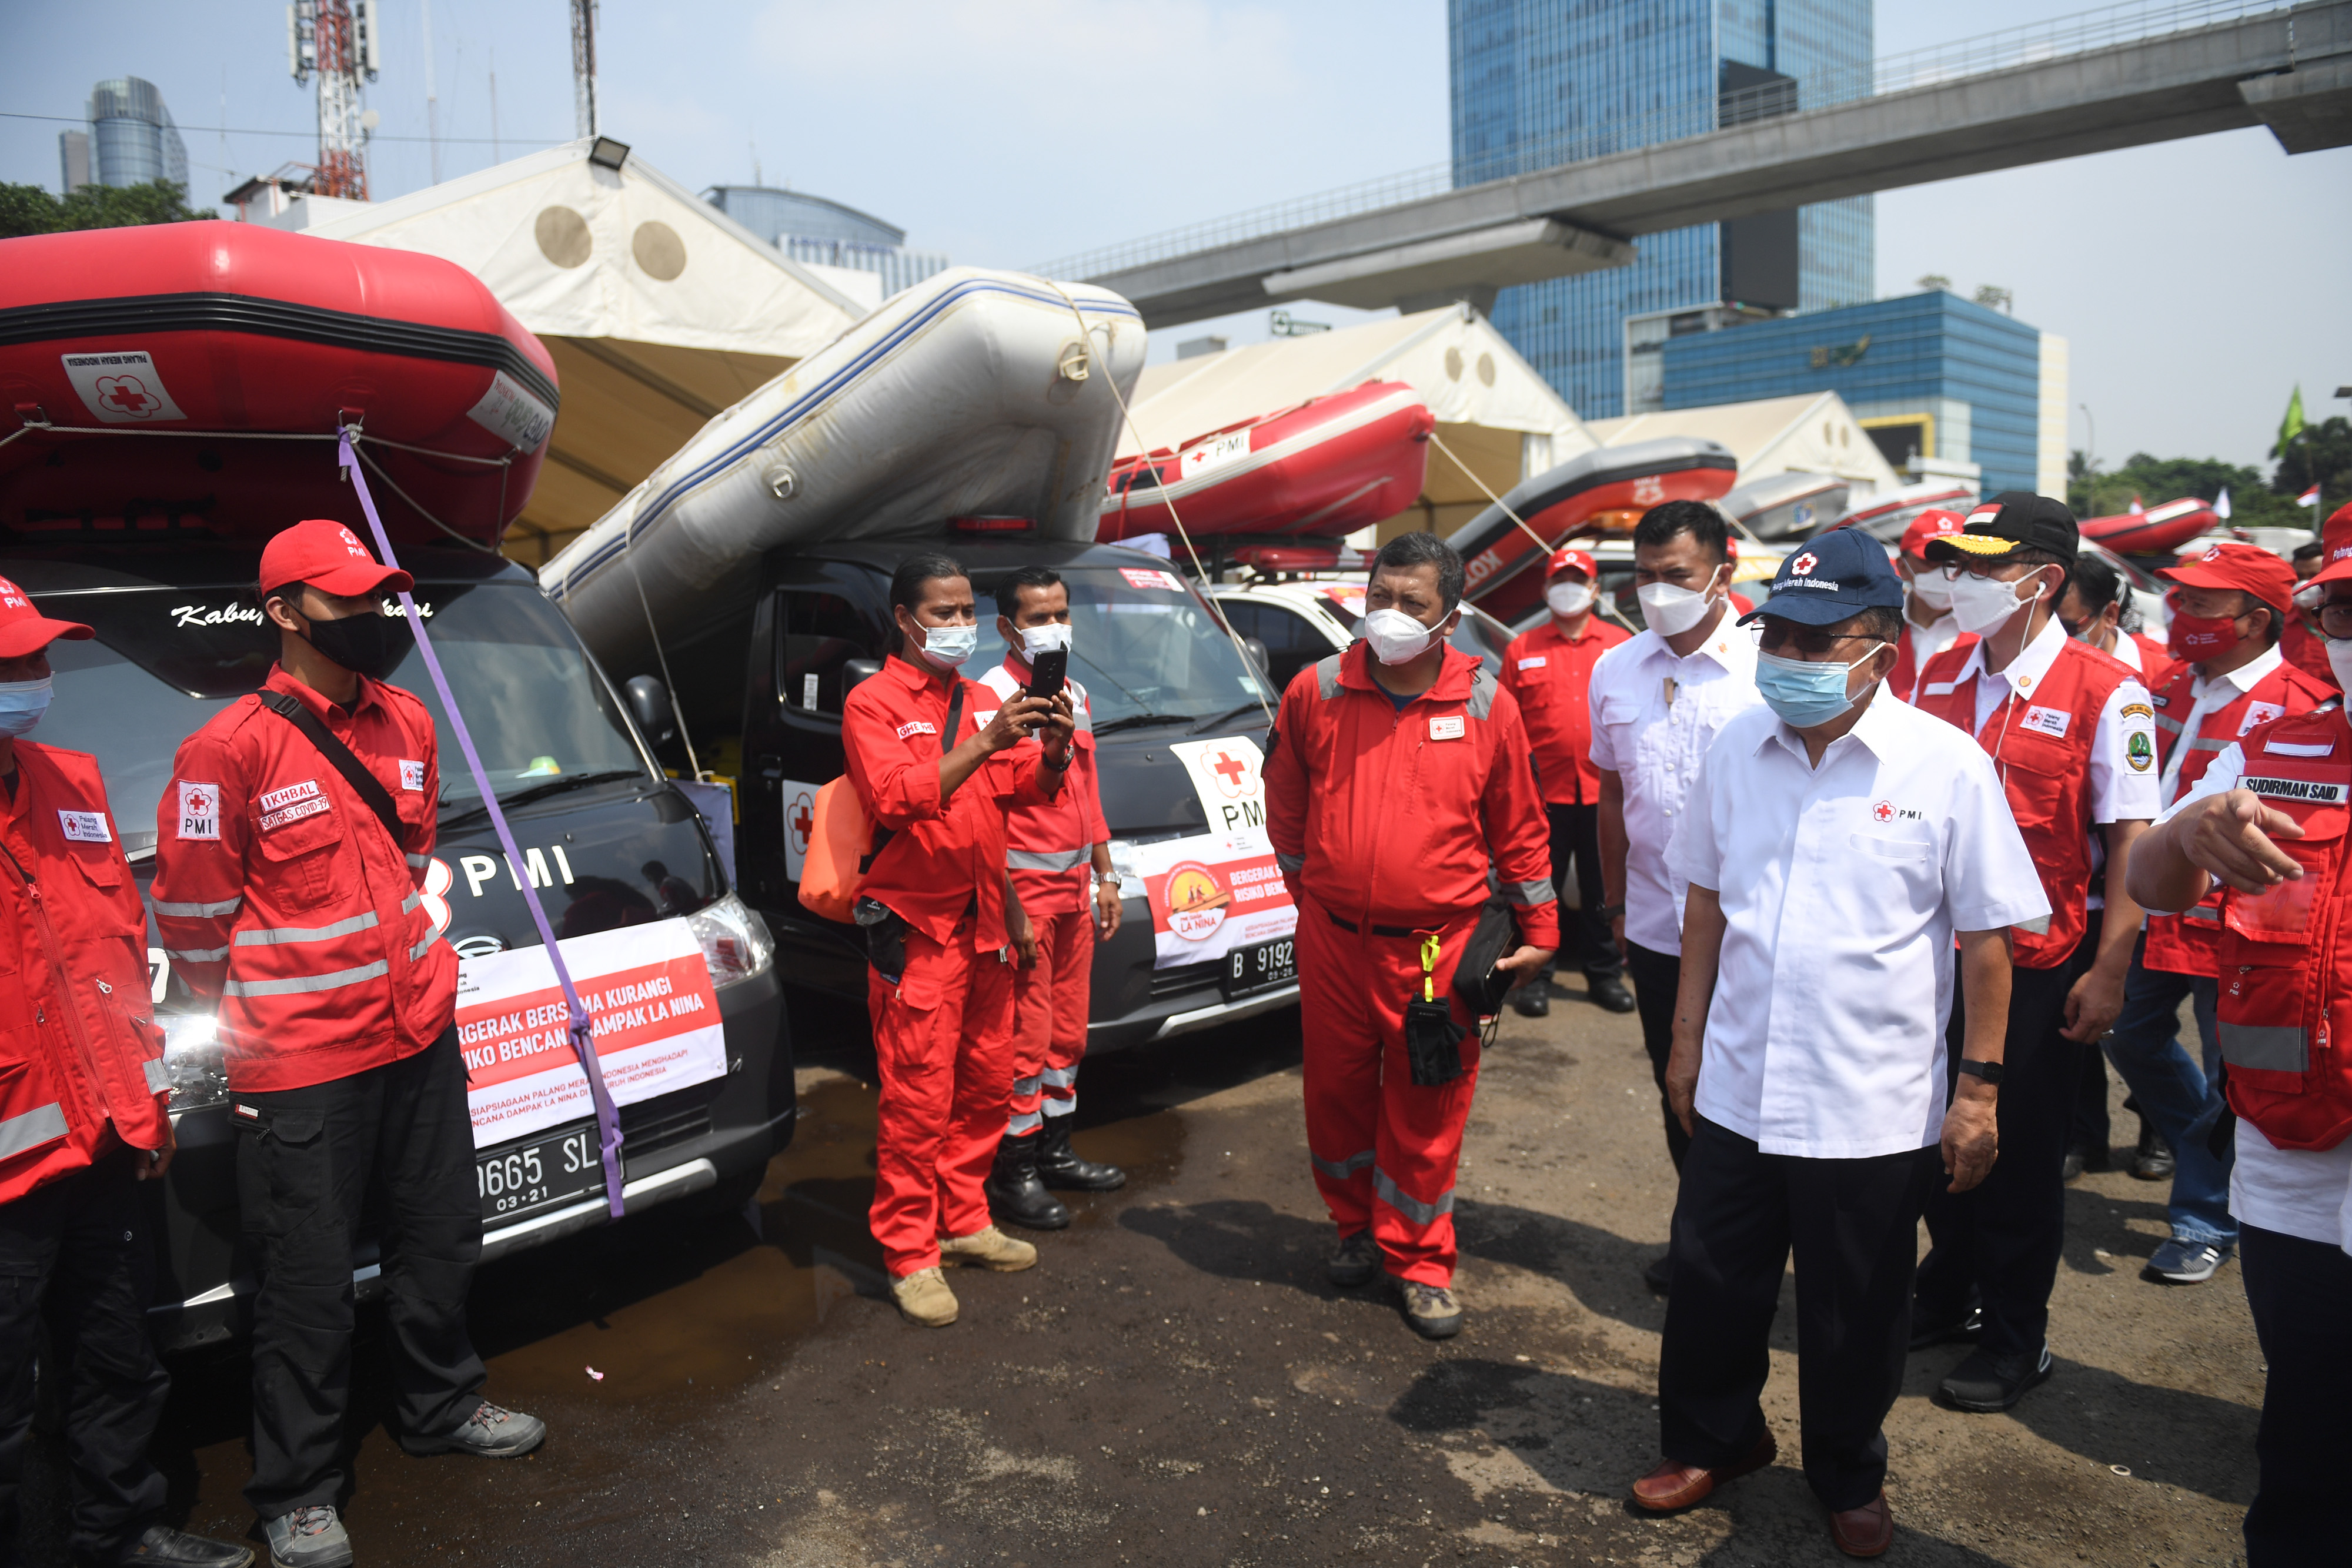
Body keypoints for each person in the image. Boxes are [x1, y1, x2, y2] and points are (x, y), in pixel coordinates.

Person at [1631, 528, 2046, 1558]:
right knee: (1713, 1283)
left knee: (1854, 1311)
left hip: (1872, 1102)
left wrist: (1979, 1091)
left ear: (1880, 650)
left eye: (1818, 642)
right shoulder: (1739, 746)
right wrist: (1684, 1041)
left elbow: (1988, 942)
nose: (1790, 658)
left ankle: (1848, 1471)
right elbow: (1704, 901)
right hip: (1738, 1080)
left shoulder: (1946, 765)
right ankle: (1716, 1439)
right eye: (1779, 635)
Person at [150, 521, 544, 1568]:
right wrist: (279, 1009)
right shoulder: (227, 749)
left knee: (441, 1239)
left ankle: (441, 1405)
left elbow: (412, 858)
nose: (371, 617)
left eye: (377, 597)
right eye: (347, 601)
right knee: (306, 1283)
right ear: (283, 613)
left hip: (418, 1034)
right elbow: (191, 919)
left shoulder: (406, 719)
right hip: (303, 1068)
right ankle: (298, 1490)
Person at [0, 581, 252, 1568]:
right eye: (12, 664)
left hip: (100, 1140)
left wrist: (146, 1101)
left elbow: (111, 952)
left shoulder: (70, 781)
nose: (36, 677)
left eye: (39, 657)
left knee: (117, 1359)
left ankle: (118, 1533)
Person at [2124, 513, 2352, 1565]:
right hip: (2291, 1149)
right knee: (2306, 1425)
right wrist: (2186, 832)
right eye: (2345, 609)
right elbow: (2155, 880)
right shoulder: (2280, 745)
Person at [1265, 532, 1556, 1340]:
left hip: (1437, 951)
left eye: (1411, 602)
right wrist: (1311, 894)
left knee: (1428, 1112)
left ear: (1449, 617)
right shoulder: (1317, 690)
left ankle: (1421, 1262)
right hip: (1333, 944)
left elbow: (1521, 828)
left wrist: (1540, 928)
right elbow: (1285, 802)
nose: (1389, 614)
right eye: (1380, 597)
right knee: (1335, 1097)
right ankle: (1354, 1229)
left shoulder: (1487, 704)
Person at [1908, 493, 2158, 1413]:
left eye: (1984, 565)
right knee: (1933, 1142)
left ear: (2044, 580)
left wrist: (2111, 967)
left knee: (2015, 1157)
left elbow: (2131, 839)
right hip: (1934, 957)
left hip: (2039, 962)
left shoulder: (2107, 689)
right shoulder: (1938, 672)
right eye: (1956, 563)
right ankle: (1949, 1288)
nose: (1960, 580)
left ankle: (2018, 1334)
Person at [840, 554, 1075, 1327]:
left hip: (984, 929)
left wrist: (1053, 751)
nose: (960, 624)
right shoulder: (873, 702)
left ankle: (965, 1218)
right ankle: (910, 1254)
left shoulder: (980, 698)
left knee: (983, 1086)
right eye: (943, 612)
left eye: (967, 610)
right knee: (918, 1099)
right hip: (918, 932)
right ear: (905, 620)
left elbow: (1024, 789)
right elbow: (895, 797)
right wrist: (986, 741)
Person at [2101, 543, 2333, 1286]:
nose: (2181, 613)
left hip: (2241, 935)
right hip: (2155, 907)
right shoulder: (2165, 685)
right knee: (2128, 1035)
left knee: (2233, 1071)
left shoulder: (2299, 706)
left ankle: (2203, 1217)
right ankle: (2212, 1158)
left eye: (2201, 603)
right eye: (2179, 598)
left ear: (2255, 620)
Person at [1588, 499, 1762, 1293]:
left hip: (1752, 930)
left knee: (1755, 1091)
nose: (1657, 591)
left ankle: (1755, 1241)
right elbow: (1613, 794)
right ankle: (1702, 1238)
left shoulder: (1766, 668)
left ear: (1723, 573)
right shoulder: (1616, 668)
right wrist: (1616, 904)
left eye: (1677, 575)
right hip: (1658, 927)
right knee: (1679, 1083)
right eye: (1644, 575)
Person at [972, 567, 1125, 1230]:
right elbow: (983, 816)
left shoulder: (1075, 692)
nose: (1054, 628)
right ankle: (1015, 1171)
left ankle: (1056, 1151)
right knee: (1025, 1038)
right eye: (1038, 618)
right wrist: (1009, 906)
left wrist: (1107, 876)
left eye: (1061, 613)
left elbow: (1087, 788)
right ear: (1007, 628)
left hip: (1073, 894)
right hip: (1024, 901)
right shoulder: (989, 699)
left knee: (1068, 1031)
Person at [2053, 551, 2177, 1181]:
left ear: (2108, 614)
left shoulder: (2157, 675)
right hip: (2074, 890)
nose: (2055, 635)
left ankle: (2161, 1128)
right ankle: (2085, 1138)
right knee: (2068, 1031)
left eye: (2068, 623)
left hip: (2150, 879)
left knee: (2134, 1025)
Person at [1496, 547, 1632, 1018]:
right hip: (1541, 795)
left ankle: (1605, 974)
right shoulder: (1522, 648)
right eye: (1560, 580)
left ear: (1595, 589)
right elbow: (1506, 726)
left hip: (1605, 793)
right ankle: (1535, 977)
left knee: (1603, 887)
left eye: (1578, 580)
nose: (1569, 589)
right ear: (1545, 589)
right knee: (1539, 889)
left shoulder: (1620, 645)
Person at [2057, 551, 2174, 686]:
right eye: (2047, 624)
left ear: (2110, 615)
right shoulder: (2043, 670)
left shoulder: (2163, 678)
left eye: (2068, 627)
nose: (2055, 635)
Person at [1887, 509, 1966, 701]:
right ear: (1903, 567)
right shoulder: (1880, 626)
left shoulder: (1989, 632)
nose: (1945, 572)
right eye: (1932, 561)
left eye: (1956, 562)